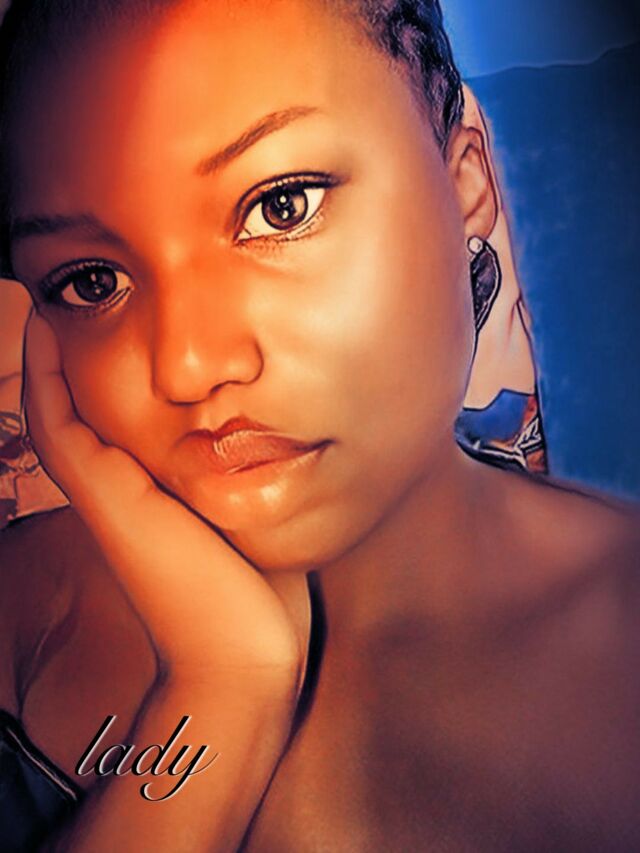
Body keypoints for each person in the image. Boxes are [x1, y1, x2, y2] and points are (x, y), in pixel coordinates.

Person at [0, 0, 637, 850]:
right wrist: (221, 686)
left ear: (466, 182)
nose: (187, 365)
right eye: (91, 281)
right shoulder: (23, 605)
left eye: (282, 206)